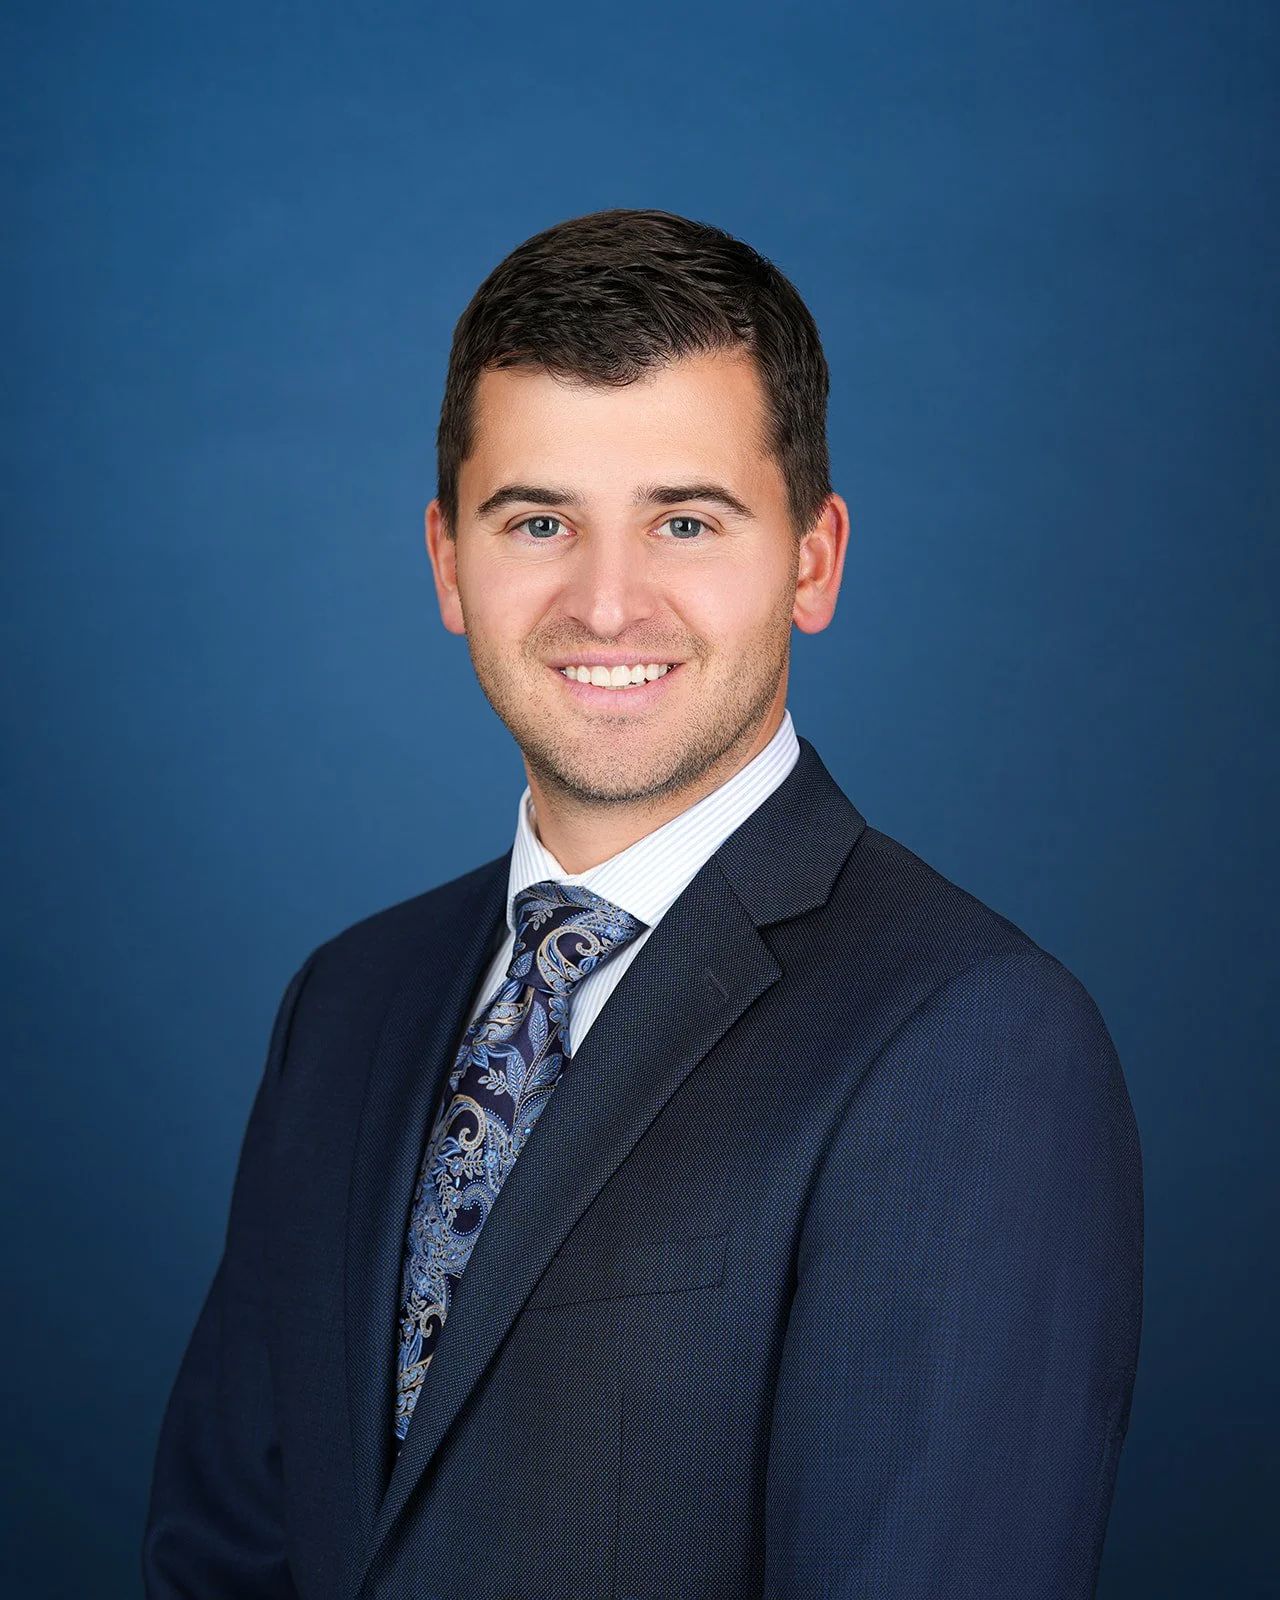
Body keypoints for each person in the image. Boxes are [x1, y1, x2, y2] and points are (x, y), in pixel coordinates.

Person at [142, 207, 1144, 1600]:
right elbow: (221, 1551)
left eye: (685, 519)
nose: (607, 604)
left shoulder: (974, 1044)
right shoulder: (348, 1001)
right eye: (539, 519)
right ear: (447, 561)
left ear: (813, 560)